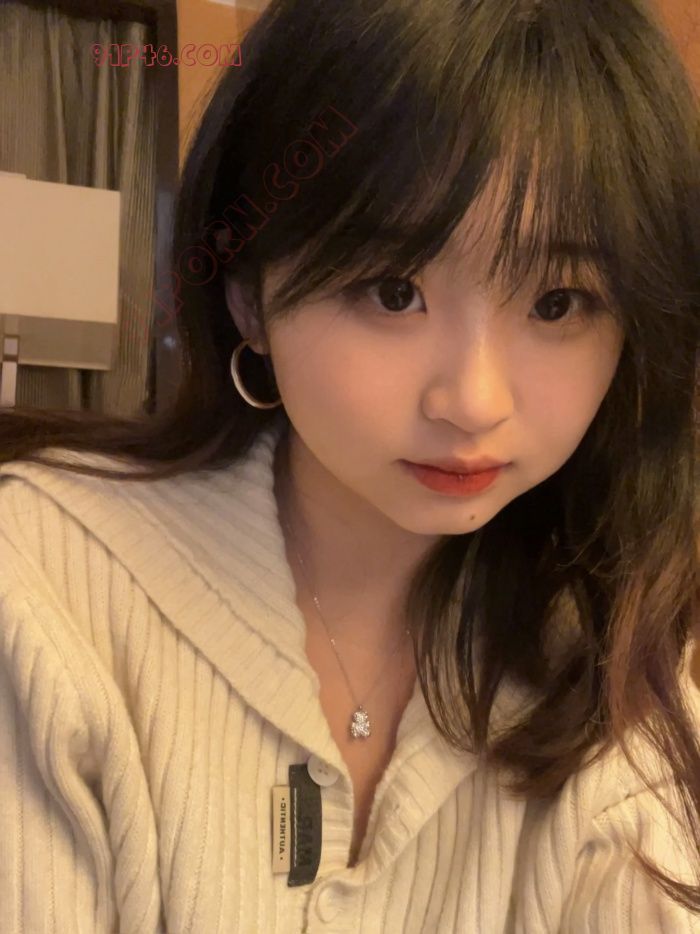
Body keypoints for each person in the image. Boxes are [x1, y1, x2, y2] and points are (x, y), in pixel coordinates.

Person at [0, 0, 698, 930]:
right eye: (393, 291)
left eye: (559, 302)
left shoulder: (618, 657)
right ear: (249, 296)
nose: (474, 400)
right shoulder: (44, 595)